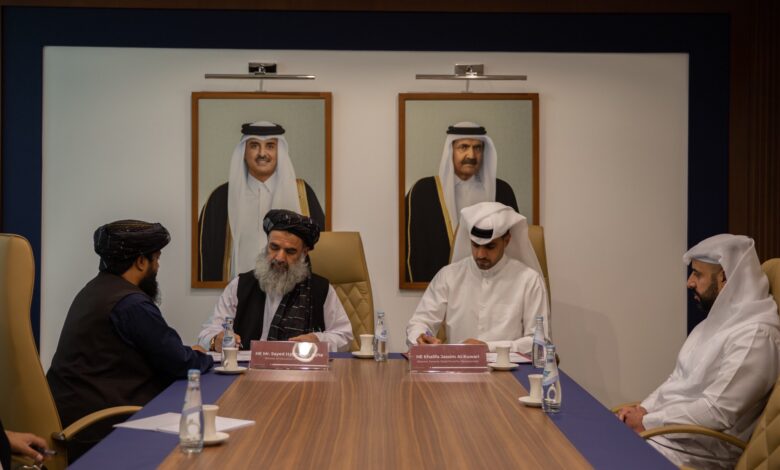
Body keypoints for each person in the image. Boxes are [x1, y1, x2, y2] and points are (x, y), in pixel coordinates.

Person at [47, 220, 213, 458]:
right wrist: (202, 356)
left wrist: (186, 352)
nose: (157, 266)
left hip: (73, 417)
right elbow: (180, 363)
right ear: (141, 261)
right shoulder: (131, 303)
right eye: (156, 259)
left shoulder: (94, 289)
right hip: (100, 431)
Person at [616, 234, 780, 469]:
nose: (689, 282)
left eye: (698, 274)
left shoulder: (756, 335)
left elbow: (718, 411)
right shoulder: (716, 322)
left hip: (703, 450)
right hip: (672, 434)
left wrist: (648, 422)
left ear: (724, 278)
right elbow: (677, 379)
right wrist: (644, 409)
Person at [198, 209, 353, 353]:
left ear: (304, 253)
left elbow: (345, 337)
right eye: (274, 247)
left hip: (300, 370)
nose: (280, 258)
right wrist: (215, 340)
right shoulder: (240, 285)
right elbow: (207, 332)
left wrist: (318, 340)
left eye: (290, 251)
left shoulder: (320, 289)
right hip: (247, 370)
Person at [406, 202, 549, 353]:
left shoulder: (529, 280)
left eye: (490, 247)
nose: (480, 255)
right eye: (475, 245)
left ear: (506, 241)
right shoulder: (448, 276)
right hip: (457, 365)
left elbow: (539, 342)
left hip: (508, 366)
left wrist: (489, 348)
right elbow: (420, 322)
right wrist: (421, 337)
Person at [198, 121, 325, 282]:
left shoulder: (302, 194)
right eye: (254, 146)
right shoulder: (220, 198)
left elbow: (322, 251)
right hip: (237, 293)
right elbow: (206, 257)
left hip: (291, 293)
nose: (262, 153)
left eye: (270, 146)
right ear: (244, 152)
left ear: (279, 152)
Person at [404, 122, 519, 283]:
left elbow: (513, 247)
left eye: (477, 148)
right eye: (463, 147)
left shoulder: (502, 191)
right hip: (438, 289)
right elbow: (413, 253)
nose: (471, 155)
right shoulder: (423, 192)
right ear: (450, 150)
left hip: (494, 288)